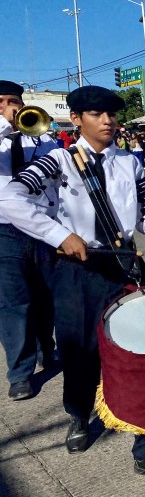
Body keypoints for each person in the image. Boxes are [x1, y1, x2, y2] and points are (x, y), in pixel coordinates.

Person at [0, 86, 145, 480]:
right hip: (76, 270)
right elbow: (10, 199)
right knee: (79, 351)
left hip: (122, 266)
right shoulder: (60, 160)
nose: (108, 121)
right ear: (79, 119)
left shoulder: (130, 163)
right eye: (97, 114)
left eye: (112, 115)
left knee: (139, 356)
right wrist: (57, 235)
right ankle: (79, 414)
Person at [0, 80, 58, 401]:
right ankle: (20, 373)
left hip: (41, 227)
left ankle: (46, 349)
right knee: (14, 303)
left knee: (47, 296)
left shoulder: (42, 137)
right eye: (2, 101)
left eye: (14, 101)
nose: (10, 107)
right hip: (5, 230)